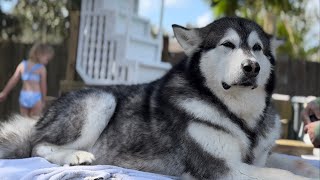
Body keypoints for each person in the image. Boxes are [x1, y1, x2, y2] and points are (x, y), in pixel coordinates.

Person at [0, 43, 54, 118]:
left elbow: (13, 80)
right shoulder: (42, 69)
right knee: (33, 122)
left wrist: (4, 92)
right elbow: (43, 86)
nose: (47, 62)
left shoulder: (22, 65)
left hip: (24, 96)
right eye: (47, 59)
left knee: (24, 121)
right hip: (36, 98)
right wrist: (43, 100)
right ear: (39, 54)